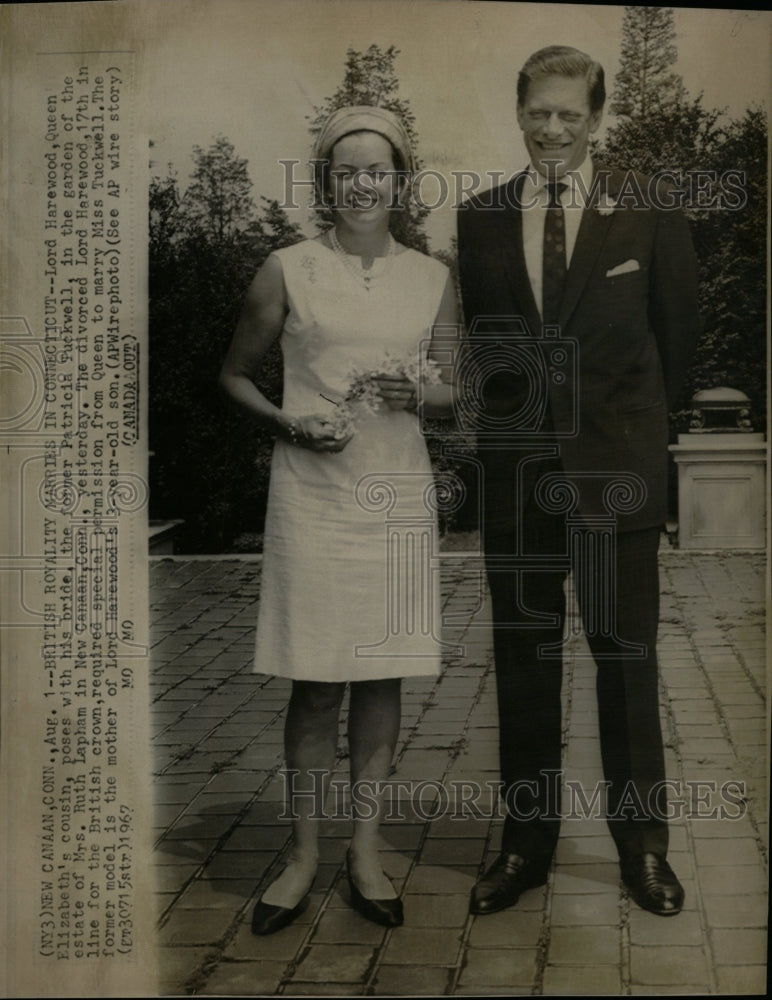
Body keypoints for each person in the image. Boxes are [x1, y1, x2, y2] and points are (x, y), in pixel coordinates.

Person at [456, 45, 701, 917]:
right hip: (519, 480)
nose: (552, 129)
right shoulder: (480, 218)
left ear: (596, 120)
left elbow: (679, 344)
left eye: (570, 114)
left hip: (616, 476)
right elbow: (485, 353)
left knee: (625, 663)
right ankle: (525, 848)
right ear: (518, 113)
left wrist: (651, 468)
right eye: (538, 112)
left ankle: (643, 852)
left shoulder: (648, 210)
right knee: (522, 662)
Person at [219, 105, 460, 935]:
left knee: (382, 676)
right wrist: (290, 423)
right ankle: (302, 856)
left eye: (377, 170)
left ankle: (365, 851)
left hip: (393, 492)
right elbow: (235, 376)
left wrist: (416, 394)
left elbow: (454, 392)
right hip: (313, 497)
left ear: (401, 181)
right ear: (326, 181)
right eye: (346, 170)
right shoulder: (286, 268)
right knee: (317, 682)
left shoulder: (432, 276)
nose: (362, 183)